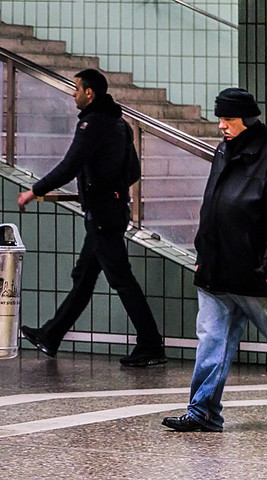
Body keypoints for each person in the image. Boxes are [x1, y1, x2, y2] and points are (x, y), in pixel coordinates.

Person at [162, 88, 267, 432]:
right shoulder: (223, 150)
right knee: (211, 344)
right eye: (220, 118)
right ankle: (202, 411)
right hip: (217, 271)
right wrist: (203, 253)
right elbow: (213, 204)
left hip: (257, 273)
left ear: (247, 119)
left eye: (228, 119)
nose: (221, 125)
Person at [16, 69, 166, 367]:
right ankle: (51, 335)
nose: (73, 94)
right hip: (111, 211)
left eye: (77, 89)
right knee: (83, 278)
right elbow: (133, 171)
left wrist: (34, 191)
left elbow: (70, 165)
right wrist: (112, 186)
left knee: (122, 280)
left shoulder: (92, 123)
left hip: (102, 216)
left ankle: (151, 344)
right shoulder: (119, 123)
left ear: (89, 94)